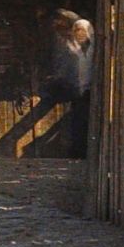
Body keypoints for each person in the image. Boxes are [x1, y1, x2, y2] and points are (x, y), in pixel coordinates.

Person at [44, 9, 95, 156]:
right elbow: (65, 69)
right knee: (78, 124)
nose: (80, 33)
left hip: (92, 93)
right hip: (77, 93)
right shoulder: (72, 49)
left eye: (82, 30)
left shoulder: (95, 49)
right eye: (77, 30)